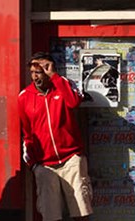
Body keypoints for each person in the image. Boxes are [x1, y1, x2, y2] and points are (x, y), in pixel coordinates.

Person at [19, 54, 92, 221]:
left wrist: (54, 77)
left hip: (71, 158)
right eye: (33, 72)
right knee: (51, 215)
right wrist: (34, 165)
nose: (35, 76)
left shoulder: (63, 85)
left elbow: (74, 102)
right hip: (45, 164)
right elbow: (27, 132)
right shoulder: (24, 96)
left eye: (40, 71)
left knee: (80, 211)